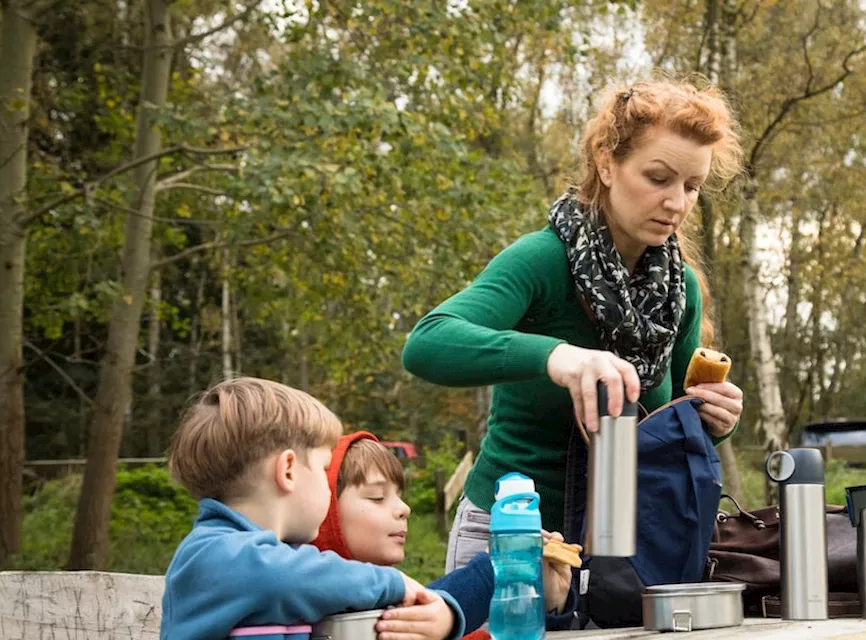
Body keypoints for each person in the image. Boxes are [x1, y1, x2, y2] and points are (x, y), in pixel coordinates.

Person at [401, 78, 747, 572]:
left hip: (629, 544)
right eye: (658, 178)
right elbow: (428, 343)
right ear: (607, 164)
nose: (677, 202)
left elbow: (668, 430)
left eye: (691, 186)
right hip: (513, 537)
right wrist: (557, 356)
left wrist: (712, 422)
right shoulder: (543, 259)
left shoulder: (681, 289)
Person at [160, 377, 463, 640]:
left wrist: (441, 613)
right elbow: (288, 577)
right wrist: (393, 582)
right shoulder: (214, 553)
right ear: (288, 470)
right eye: (323, 467)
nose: (327, 485)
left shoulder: (285, 563)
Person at [310, 431, 576, 637]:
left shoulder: (382, 598)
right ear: (324, 512)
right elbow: (418, 616)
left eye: (399, 496)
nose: (405, 509)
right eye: (378, 497)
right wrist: (490, 569)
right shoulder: (317, 602)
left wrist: (548, 603)